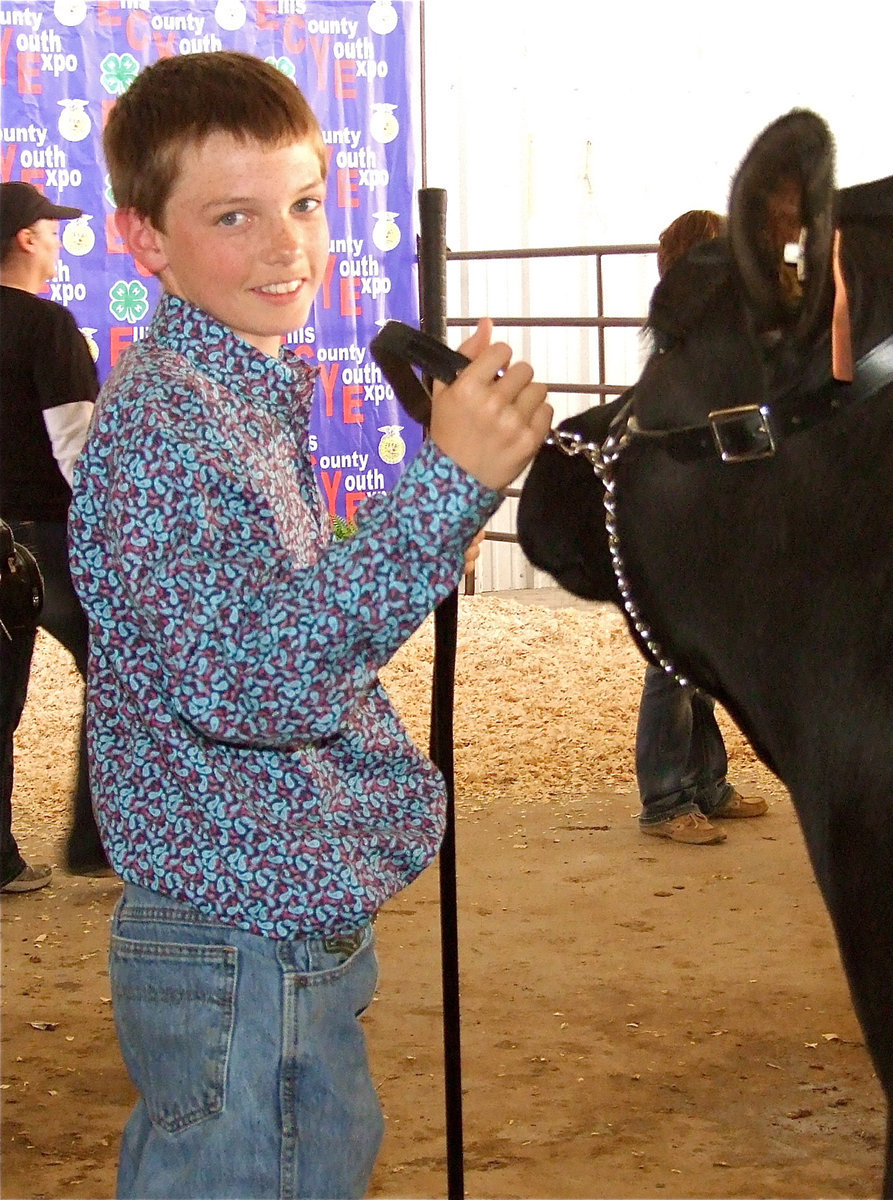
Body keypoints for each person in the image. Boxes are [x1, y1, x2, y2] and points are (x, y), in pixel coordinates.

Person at [67, 51, 550, 1200]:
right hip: (241, 938)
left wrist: (421, 529)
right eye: (234, 216)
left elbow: (265, 615)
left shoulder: (235, 391)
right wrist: (438, 495)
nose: (287, 247)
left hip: (268, 930)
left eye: (302, 204)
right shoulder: (169, 429)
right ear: (145, 238)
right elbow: (248, 684)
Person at [635, 209, 767, 845]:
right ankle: (663, 800)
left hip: (707, 509)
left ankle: (707, 784)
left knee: (701, 660)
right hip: (678, 513)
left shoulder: (703, 339)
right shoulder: (680, 347)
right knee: (671, 662)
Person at [0, 182, 109, 893]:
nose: (61, 235)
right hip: (46, 538)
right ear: (27, 238)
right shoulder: (47, 326)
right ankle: (99, 838)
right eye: (52, 225)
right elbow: (77, 444)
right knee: (123, 674)